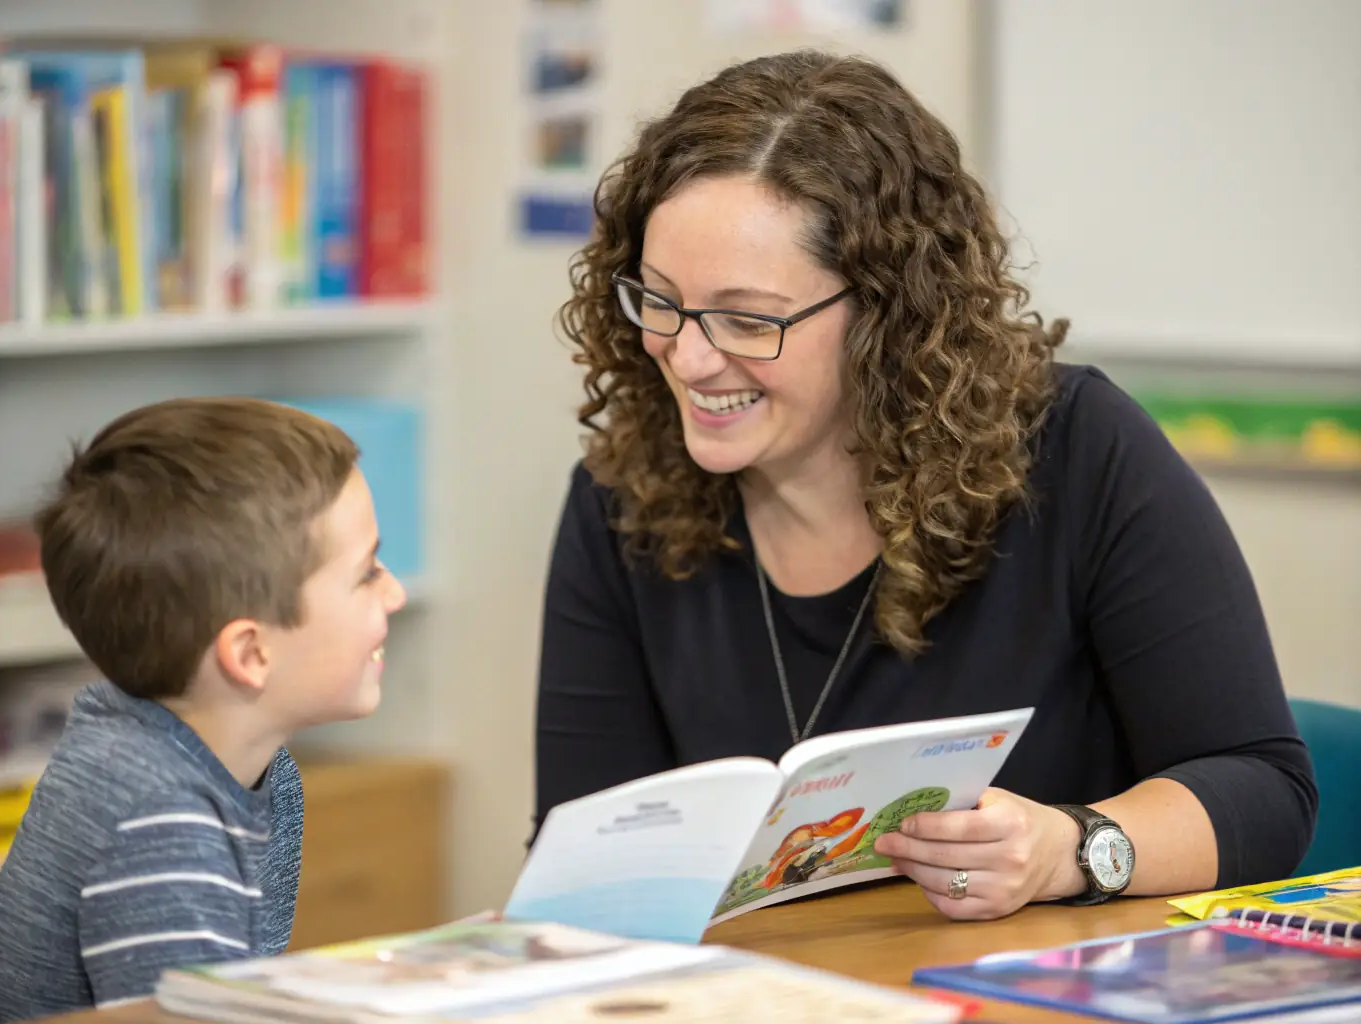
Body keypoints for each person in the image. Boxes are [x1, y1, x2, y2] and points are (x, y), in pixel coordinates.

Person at [533, 50, 1317, 922]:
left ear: (883, 314)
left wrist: (1069, 848)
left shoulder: (1080, 451)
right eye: (661, 301)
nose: (688, 356)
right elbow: (584, 854)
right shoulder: (621, 497)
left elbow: (1262, 789)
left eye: (747, 319)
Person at [0, 398, 406, 1020]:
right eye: (367, 572)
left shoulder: (245, 770)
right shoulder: (158, 817)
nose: (395, 592)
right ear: (251, 652)